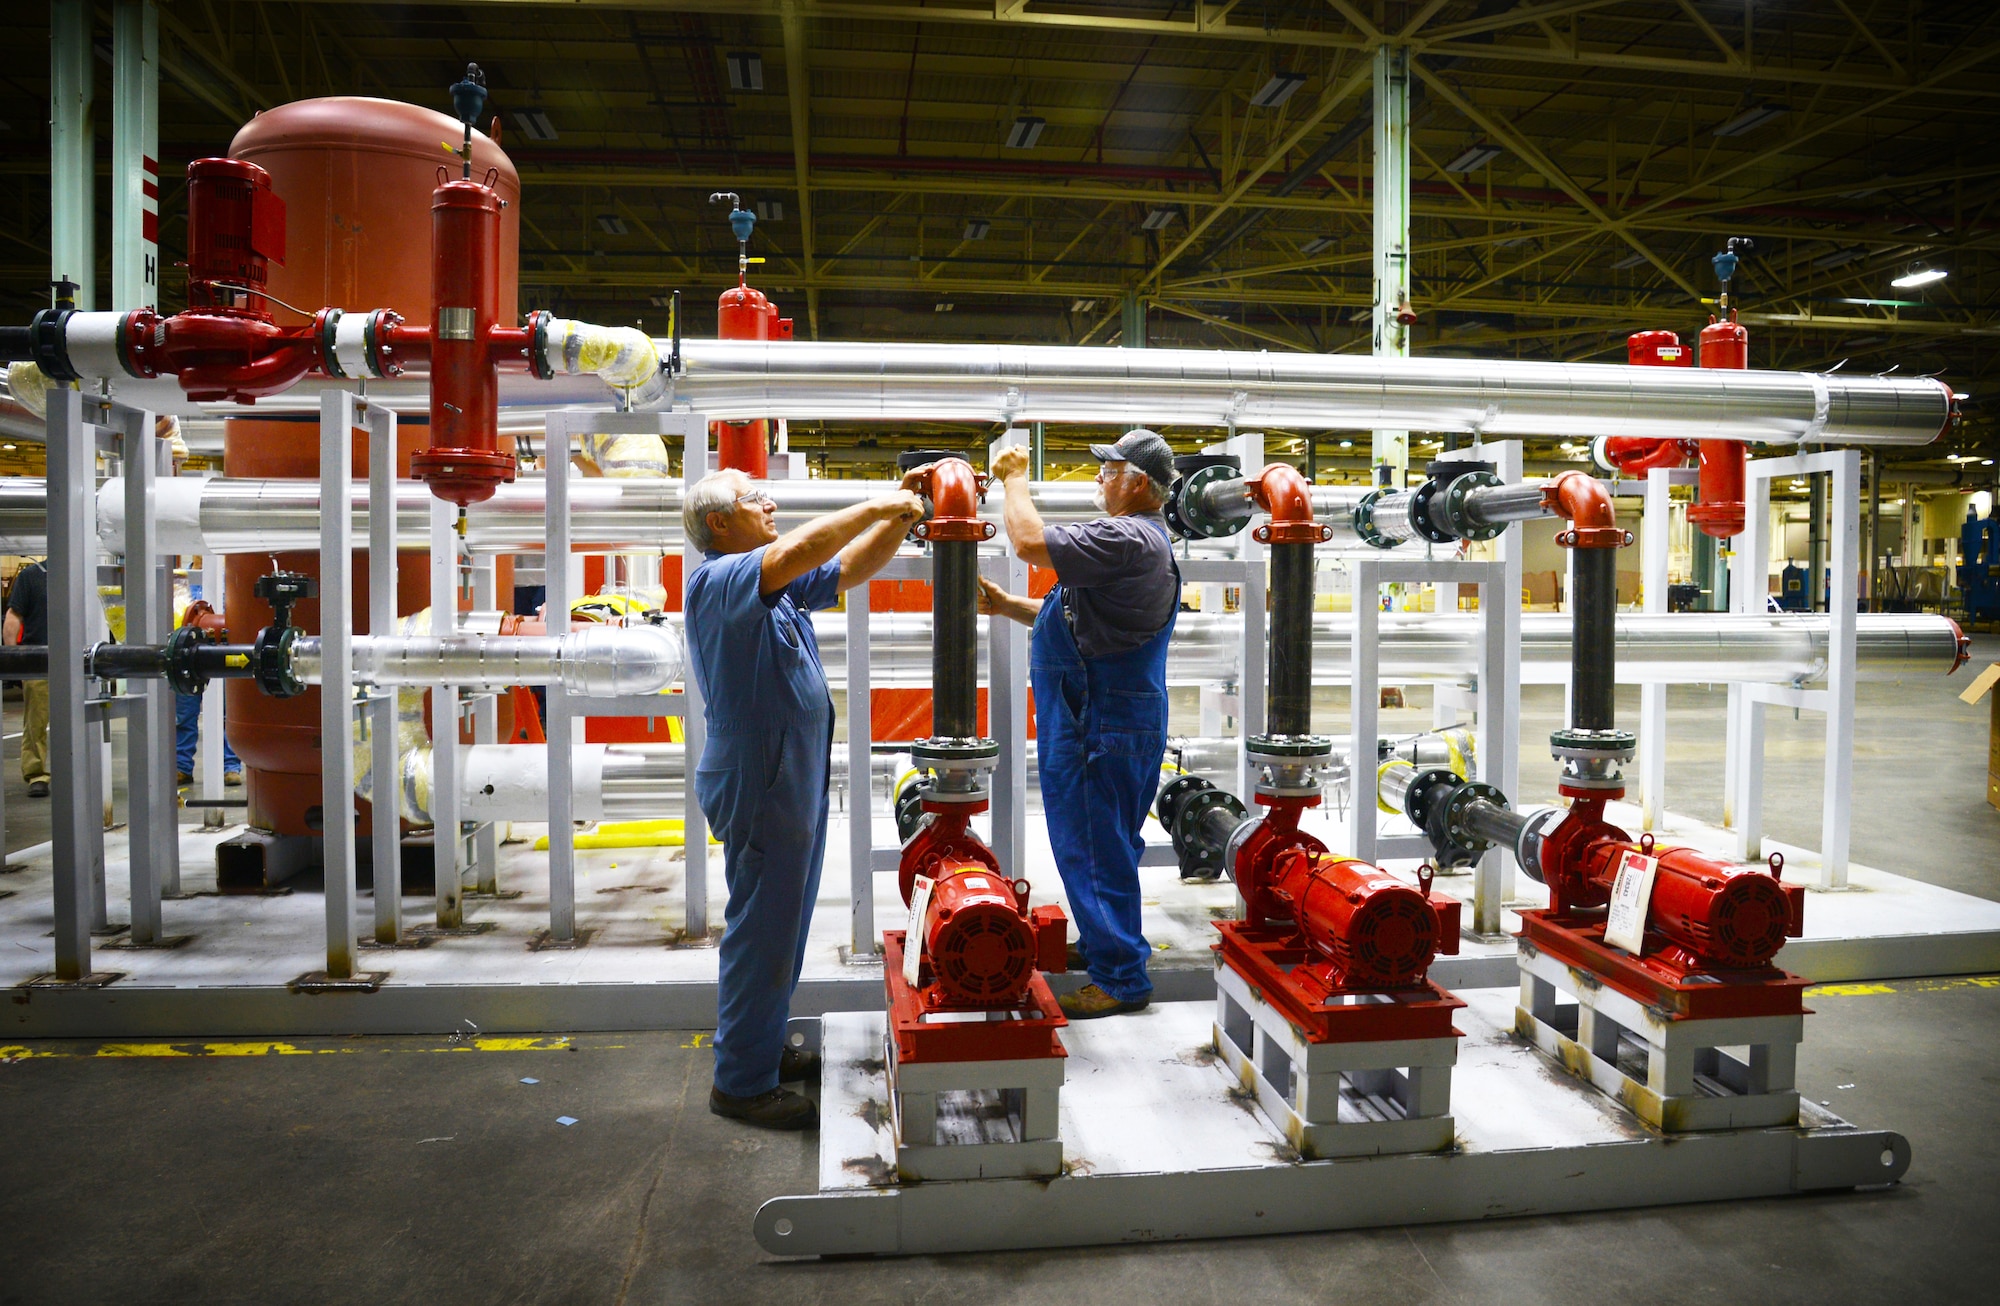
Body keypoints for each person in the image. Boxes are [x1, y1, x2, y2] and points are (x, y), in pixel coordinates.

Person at [683, 467, 925, 1130]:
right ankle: (740, 1083)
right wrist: (877, 499)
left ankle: (755, 1049)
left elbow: (844, 568)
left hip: (787, 770)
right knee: (762, 928)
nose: (772, 504)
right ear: (720, 523)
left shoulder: (771, 590)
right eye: (755, 499)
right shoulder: (721, 575)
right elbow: (798, 552)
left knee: (780, 924)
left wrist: (899, 521)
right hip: (761, 771)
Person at [978, 430, 1181, 1020]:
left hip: (1099, 719)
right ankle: (1103, 945)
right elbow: (1072, 617)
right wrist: (1007, 608)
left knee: (1094, 846)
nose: (1099, 478)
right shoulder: (1139, 543)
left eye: (1108, 470)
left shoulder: (1129, 537)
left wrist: (1015, 476)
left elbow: (1029, 541)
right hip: (1106, 714)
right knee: (1104, 843)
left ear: (1138, 483)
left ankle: (1121, 977)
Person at [4, 559, 49, 798]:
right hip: (39, 662)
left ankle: (76, 769)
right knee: (35, 723)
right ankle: (36, 775)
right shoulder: (32, 576)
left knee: (79, 720)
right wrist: (14, 661)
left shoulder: (82, 575)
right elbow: (13, 616)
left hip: (77, 663)